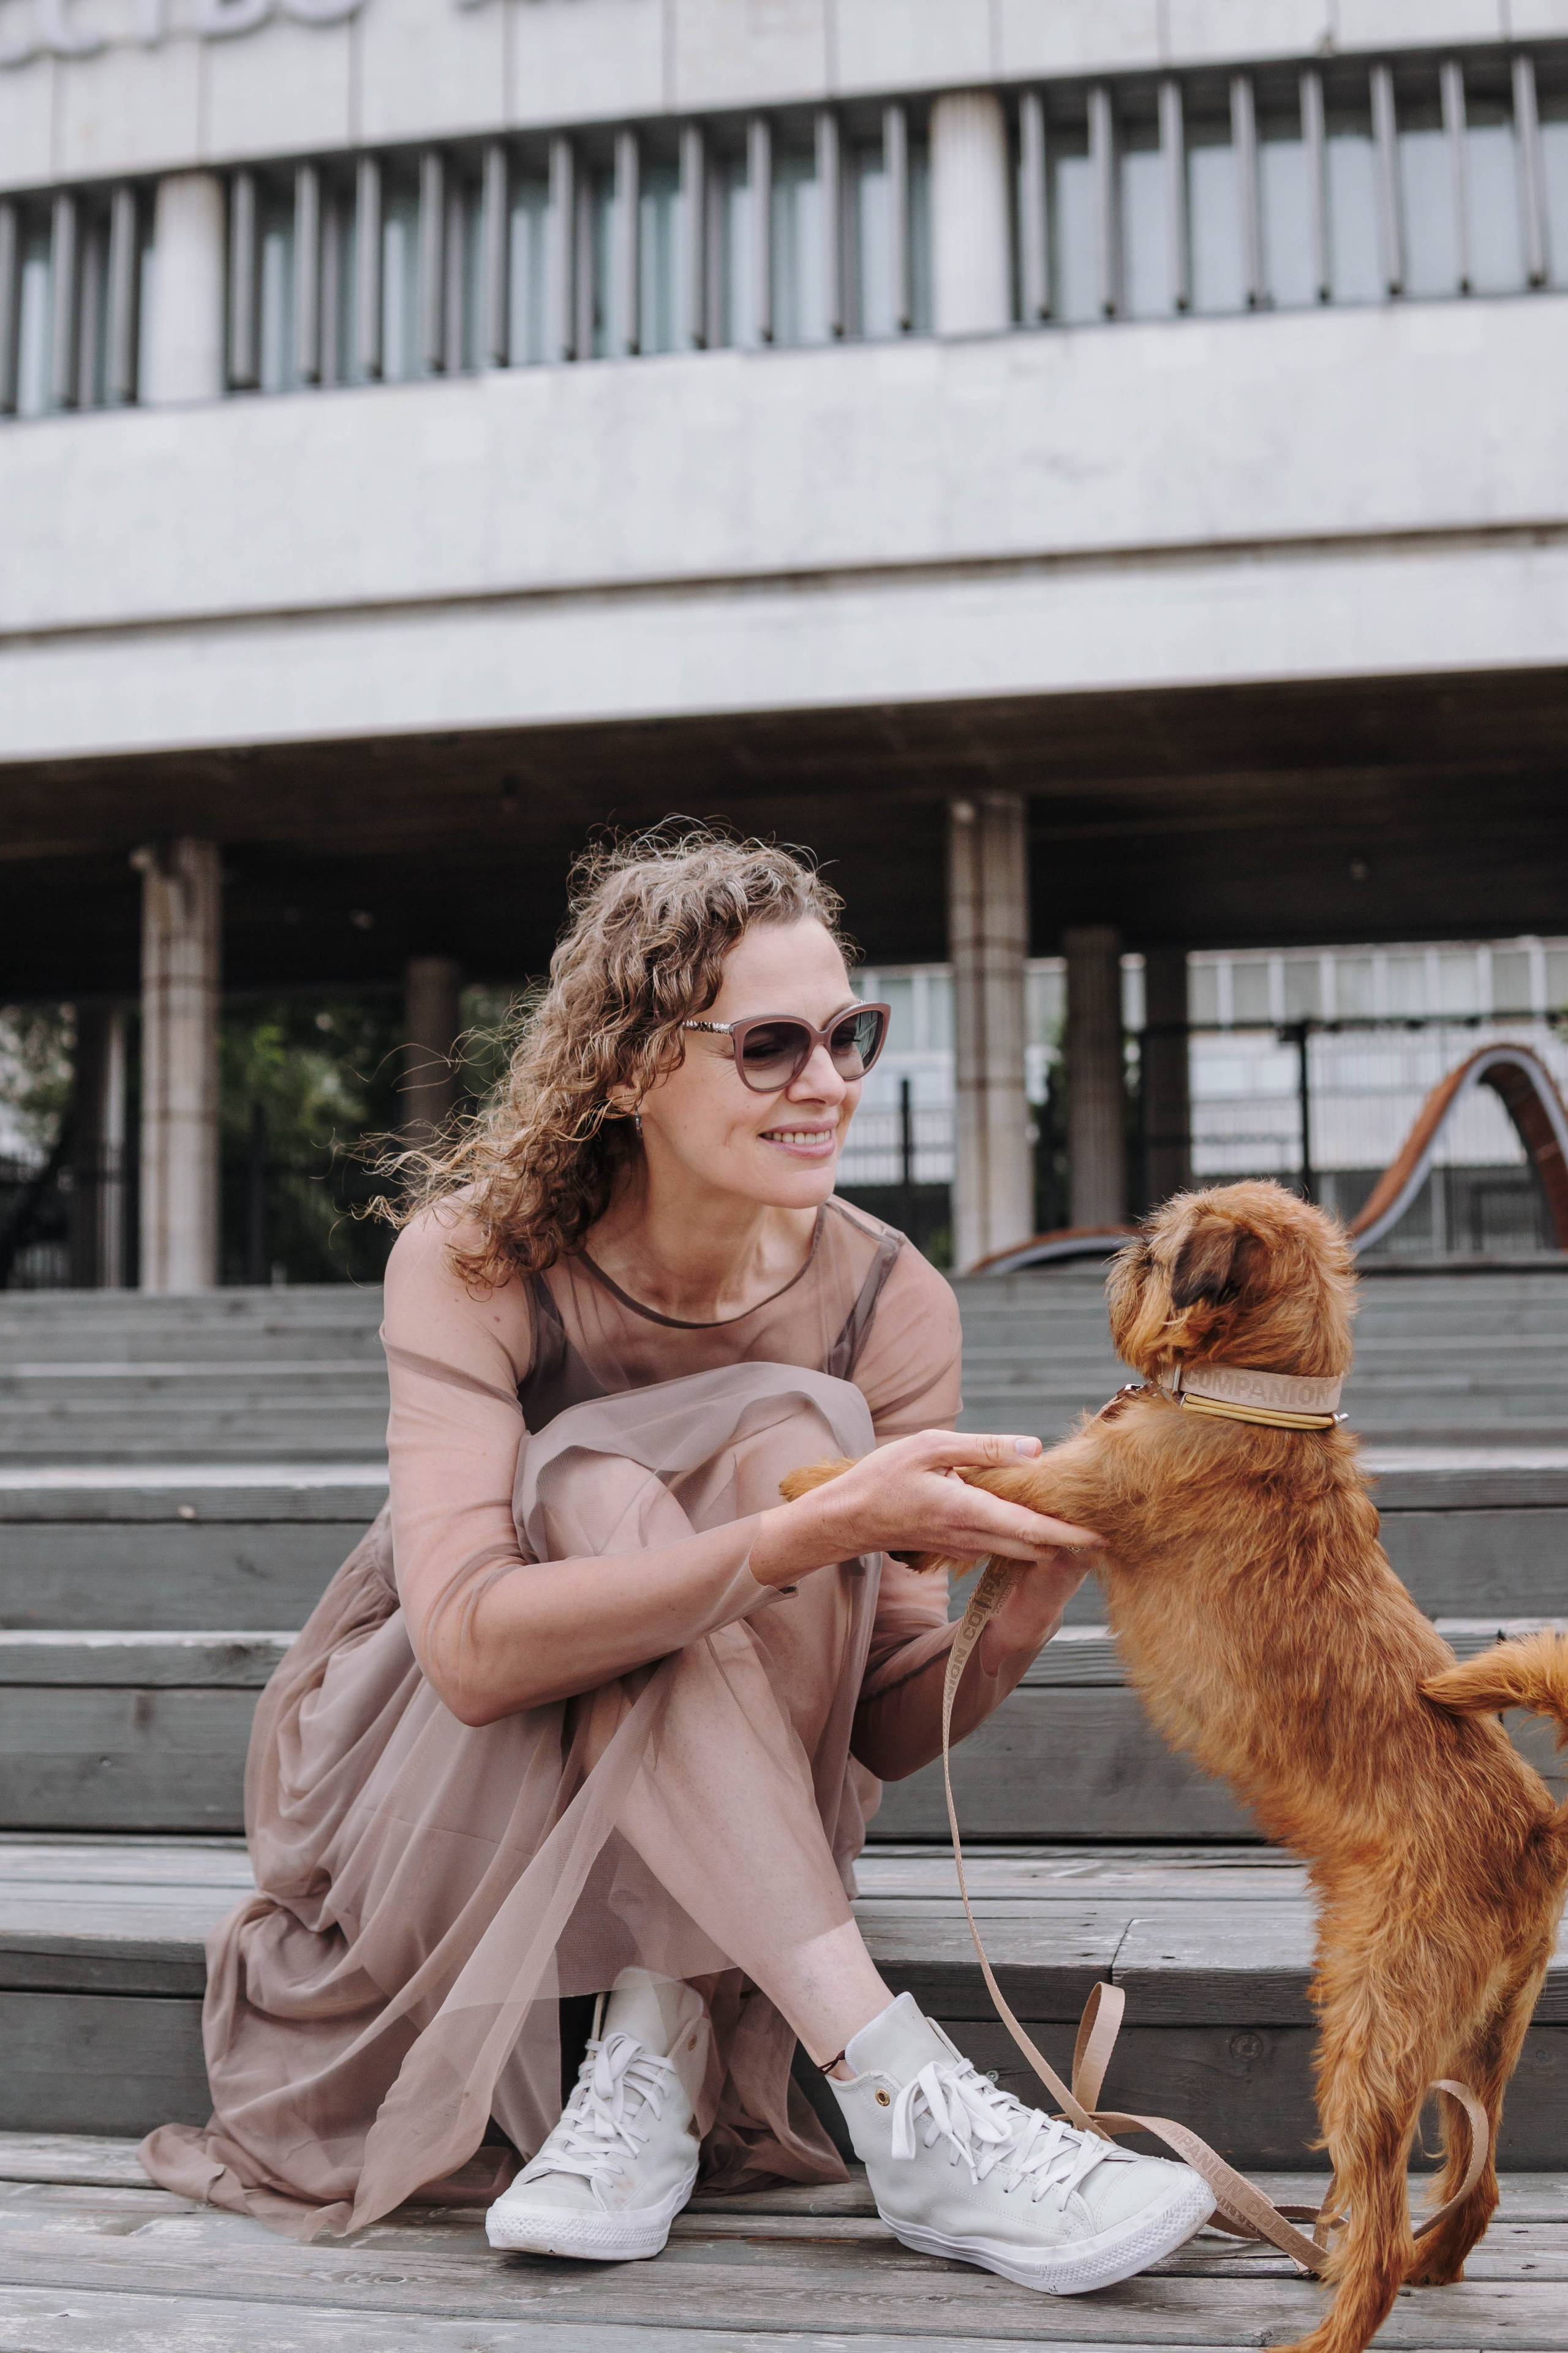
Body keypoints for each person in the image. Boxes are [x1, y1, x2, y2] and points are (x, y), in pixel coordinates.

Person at [140, 830, 1213, 2294]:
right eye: (770, 1044)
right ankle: (900, 2089)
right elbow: (465, 1647)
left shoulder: (886, 1294)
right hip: (435, 1777)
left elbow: (884, 1726)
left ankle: (658, 2034)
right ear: (635, 1066)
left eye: (849, 1034)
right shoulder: (475, 1261)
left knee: (797, 1421)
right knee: (609, 1469)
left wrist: (1023, 1599)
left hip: (728, 1776)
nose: (827, 1080)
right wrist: (800, 1532)